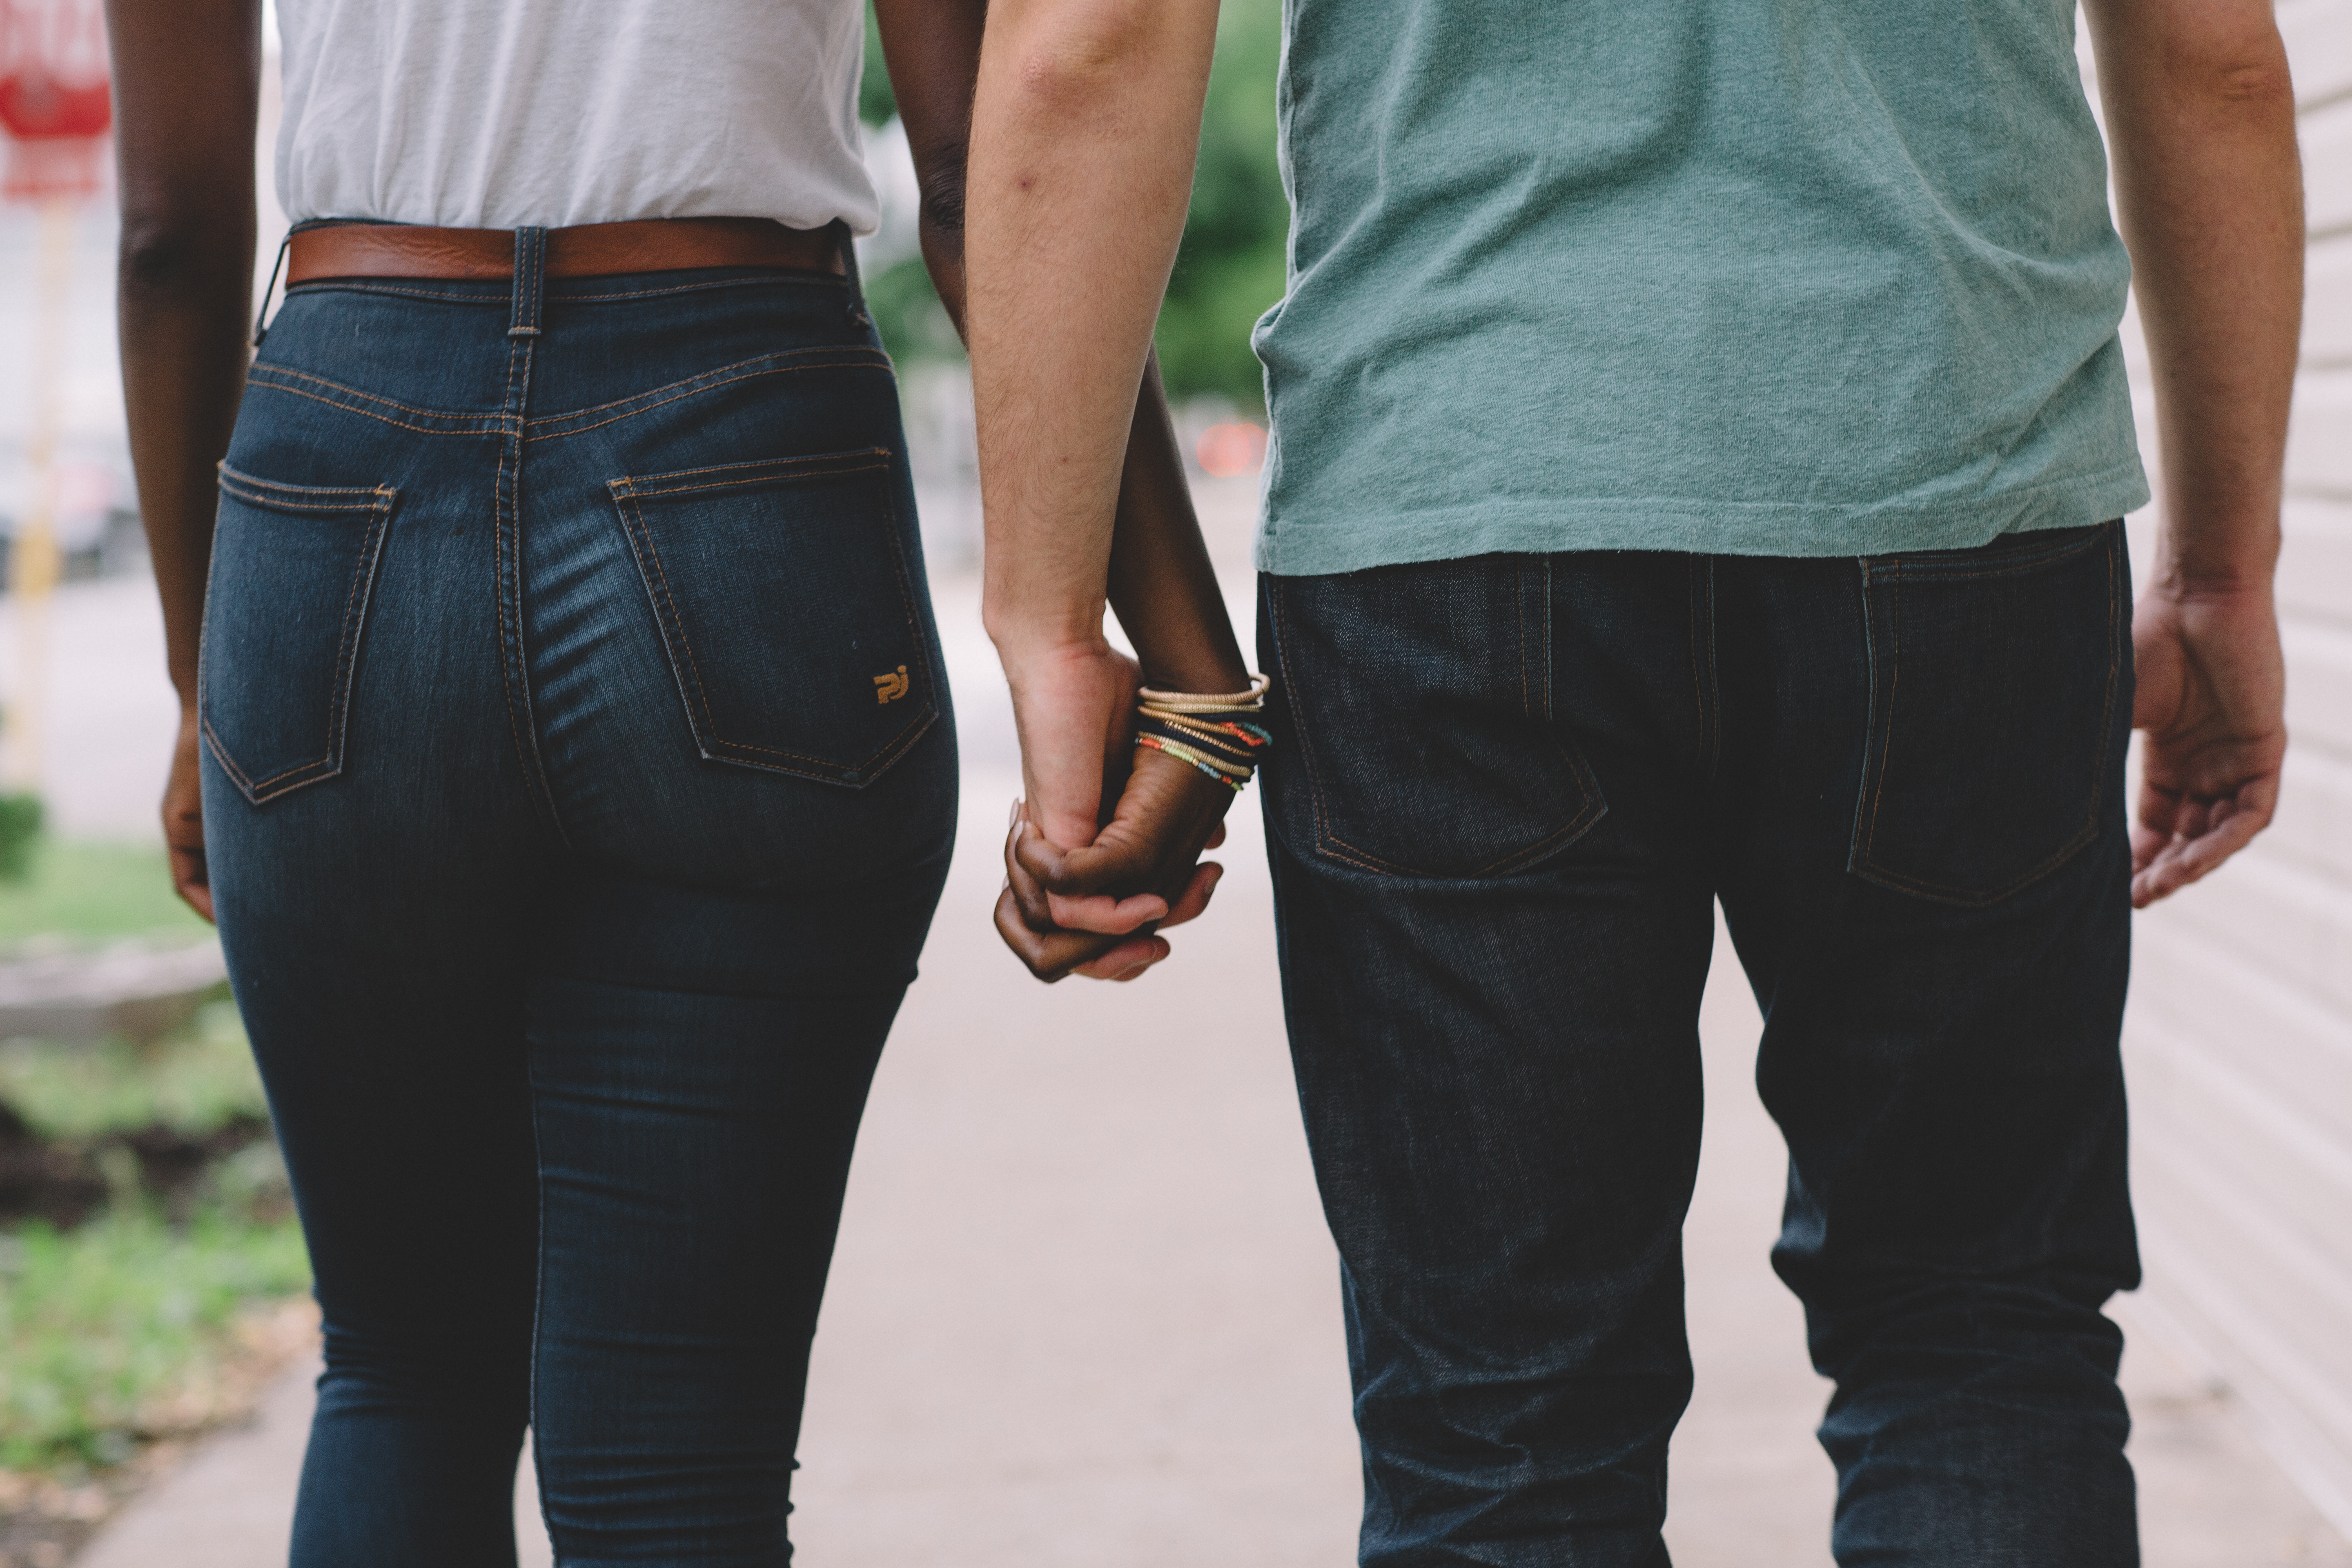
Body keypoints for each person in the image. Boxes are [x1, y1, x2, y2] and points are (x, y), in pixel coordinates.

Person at [969, 0, 2299, 1563]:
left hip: (1450, 507)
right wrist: (2221, 572)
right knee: (1977, 1338)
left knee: (1499, 1429)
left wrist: (1057, 620)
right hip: (1956, 495)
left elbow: (1089, 43)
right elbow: (2209, 50)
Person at [108, 1, 1017, 1559]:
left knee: (403, 1371)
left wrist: (209, 684)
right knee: (677, 1460)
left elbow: (169, 231)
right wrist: (1154, 638)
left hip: (344, 471)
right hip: (743, 435)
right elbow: (970, 163)